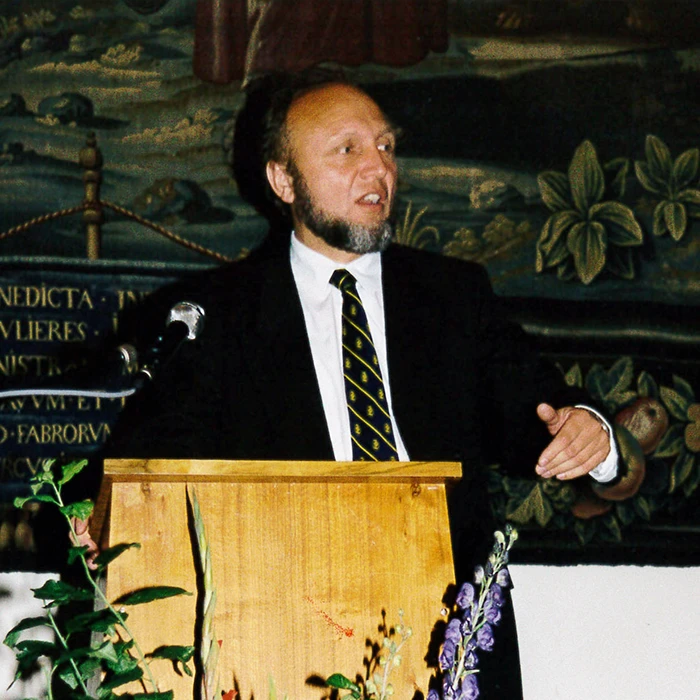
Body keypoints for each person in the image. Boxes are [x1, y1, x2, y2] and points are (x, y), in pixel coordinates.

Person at [106, 70, 618, 698]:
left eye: (386, 147)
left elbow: (540, 409)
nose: (378, 169)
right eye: (347, 150)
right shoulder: (215, 316)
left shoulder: (453, 297)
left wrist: (591, 429)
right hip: (282, 633)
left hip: (446, 640)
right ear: (283, 180)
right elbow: (149, 463)